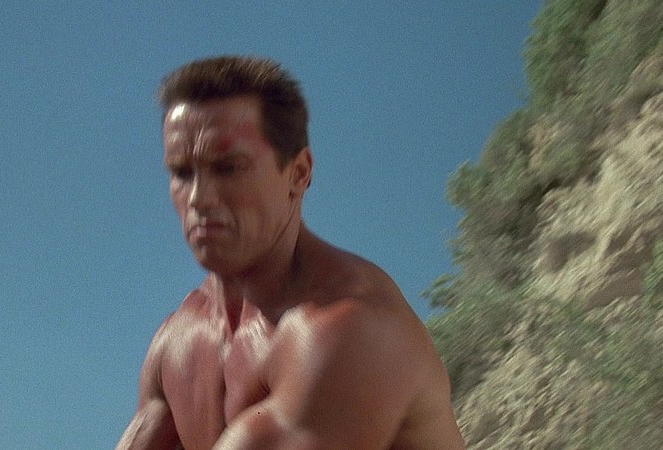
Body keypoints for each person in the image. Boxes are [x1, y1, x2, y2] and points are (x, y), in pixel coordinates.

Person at [116, 55, 465, 449]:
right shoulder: (175, 346)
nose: (198, 197)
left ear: (298, 173)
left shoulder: (350, 327)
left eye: (228, 167)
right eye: (182, 172)